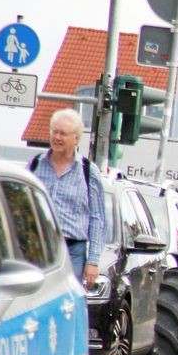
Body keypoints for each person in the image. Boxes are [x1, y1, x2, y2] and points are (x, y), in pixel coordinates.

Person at [29, 108, 105, 289]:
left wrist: (93, 261)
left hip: (72, 251)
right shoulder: (36, 165)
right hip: (39, 247)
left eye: (63, 133)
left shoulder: (88, 171)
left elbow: (97, 219)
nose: (57, 137)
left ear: (76, 138)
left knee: (67, 302)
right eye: (54, 131)